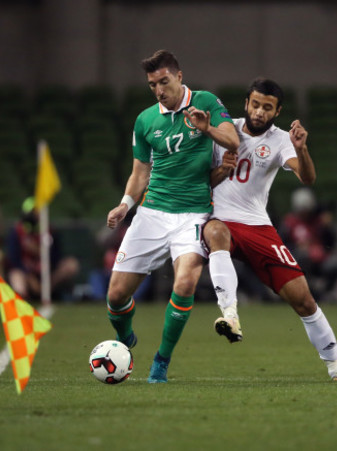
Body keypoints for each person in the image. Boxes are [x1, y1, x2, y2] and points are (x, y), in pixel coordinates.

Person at [203, 77, 337, 382]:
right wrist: (221, 169)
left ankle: (335, 366)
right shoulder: (224, 131)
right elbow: (199, 179)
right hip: (219, 219)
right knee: (215, 233)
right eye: (256, 104)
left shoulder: (280, 140)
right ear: (246, 103)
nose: (260, 112)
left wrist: (301, 150)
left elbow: (308, 178)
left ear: (277, 112)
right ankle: (230, 315)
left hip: (258, 227)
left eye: (267, 107)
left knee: (303, 299)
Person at [106, 50, 239, 383]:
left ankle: (161, 362)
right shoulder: (145, 120)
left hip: (193, 215)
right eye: (153, 84)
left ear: (180, 76)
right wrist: (125, 204)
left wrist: (207, 129)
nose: (159, 89)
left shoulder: (206, 102)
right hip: (152, 212)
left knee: (185, 283)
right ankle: (125, 338)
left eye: (164, 81)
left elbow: (233, 141)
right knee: (115, 297)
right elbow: (140, 173)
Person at [5, 197, 79, 301]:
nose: (37, 214)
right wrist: (29, 277)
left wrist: (40, 252)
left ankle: (49, 293)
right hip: (27, 273)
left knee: (71, 264)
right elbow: (14, 259)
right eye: (34, 211)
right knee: (16, 276)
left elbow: (57, 256)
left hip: (47, 274)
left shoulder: (50, 230)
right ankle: (24, 299)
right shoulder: (17, 232)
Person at [278, 187, 337, 300]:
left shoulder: (319, 221)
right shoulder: (289, 223)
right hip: (298, 260)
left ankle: (325, 293)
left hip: (320, 258)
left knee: (335, 265)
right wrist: (297, 247)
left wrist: (328, 228)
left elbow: (331, 242)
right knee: (303, 258)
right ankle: (307, 293)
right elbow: (282, 245)